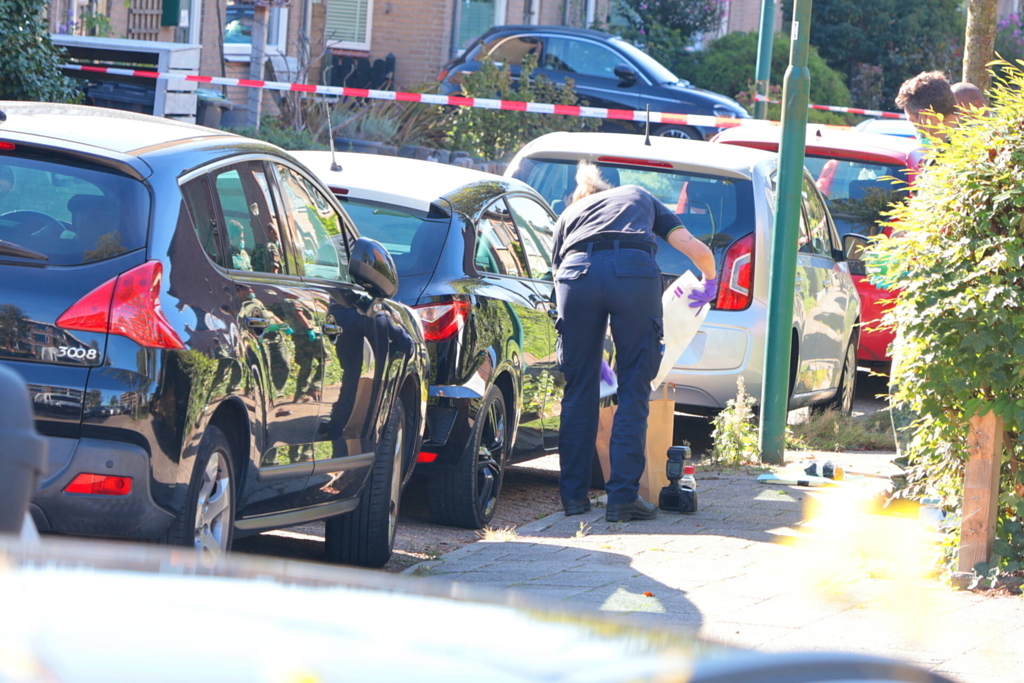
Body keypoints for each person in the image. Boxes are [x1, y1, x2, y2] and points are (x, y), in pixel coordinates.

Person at [552, 161, 717, 523]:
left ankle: (573, 499)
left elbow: (557, 276)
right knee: (633, 387)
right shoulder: (638, 197)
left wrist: (585, 350)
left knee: (579, 389)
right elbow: (694, 247)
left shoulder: (570, 214)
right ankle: (622, 499)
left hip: (575, 278)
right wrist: (710, 278)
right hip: (632, 275)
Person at [895, 71, 959, 144]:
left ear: (927, 116)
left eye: (914, 123)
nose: (916, 130)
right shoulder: (971, 138)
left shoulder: (955, 151)